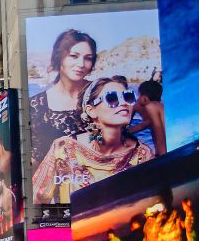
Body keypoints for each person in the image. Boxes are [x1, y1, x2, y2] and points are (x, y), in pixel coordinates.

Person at [33, 76, 153, 205]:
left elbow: (151, 201)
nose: (123, 103)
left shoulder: (143, 154)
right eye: (112, 98)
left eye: (127, 97)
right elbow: (37, 200)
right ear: (91, 111)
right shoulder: (64, 148)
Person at [30, 29, 97, 167]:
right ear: (59, 57)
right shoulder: (37, 104)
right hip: (60, 183)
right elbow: (36, 158)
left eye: (88, 58)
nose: (81, 64)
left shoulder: (101, 93)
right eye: (74, 56)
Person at [127, 79, 166, 156]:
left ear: (145, 98)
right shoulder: (159, 106)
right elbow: (143, 125)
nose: (137, 98)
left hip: (163, 152)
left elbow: (160, 135)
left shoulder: (151, 107)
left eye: (139, 95)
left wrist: (163, 157)